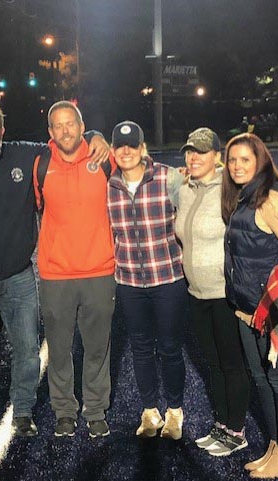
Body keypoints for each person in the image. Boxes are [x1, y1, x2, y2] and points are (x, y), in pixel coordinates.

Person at [0, 101, 109, 441]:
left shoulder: (24, 156)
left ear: (3, 132)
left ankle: (24, 411)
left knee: (29, 350)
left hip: (21, 275)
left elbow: (74, 139)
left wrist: (97, 134)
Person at [221, 133, 278, 478]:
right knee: (260, 378)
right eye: (233, 160)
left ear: (260, 163)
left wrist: (276, 308)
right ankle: (275, 446)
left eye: (245, 160)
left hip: (269, 311)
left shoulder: (270, 201)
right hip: (244, 309)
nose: (238, 166)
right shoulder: (242, 199)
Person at [34, 101, 116, 438]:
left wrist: (103, 138)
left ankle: (95, 408)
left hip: (99, 269)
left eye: (72, 123)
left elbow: (142, 167)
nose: (65, 130)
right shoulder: (40, 164)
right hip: (56, 274)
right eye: (58, 125)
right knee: (59, 348)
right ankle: (64, 409)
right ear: (50, 132)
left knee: (97, 347)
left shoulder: (105, 158)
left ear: (83, 127)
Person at [107, 121, 187, 440]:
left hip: (167, 276)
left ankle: (175, 412)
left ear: (143, 148)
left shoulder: (169, 177)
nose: (126, 151)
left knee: (169, 348)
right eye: (119, 146)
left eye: (132, 145)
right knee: (140, 348)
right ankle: (150, 411)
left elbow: (195, 212)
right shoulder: (109, 185)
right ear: (113, 151)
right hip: (128, 280)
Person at [174, 128, 250, 455]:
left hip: (224, 293)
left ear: (216, 157)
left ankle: (237, 430)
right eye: (190, 151)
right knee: (214, 364)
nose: (193, 157)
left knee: (232, 364)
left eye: (201, 152)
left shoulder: (231, 190)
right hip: (196, 293)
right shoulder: (185, 188)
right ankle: (221, 426)